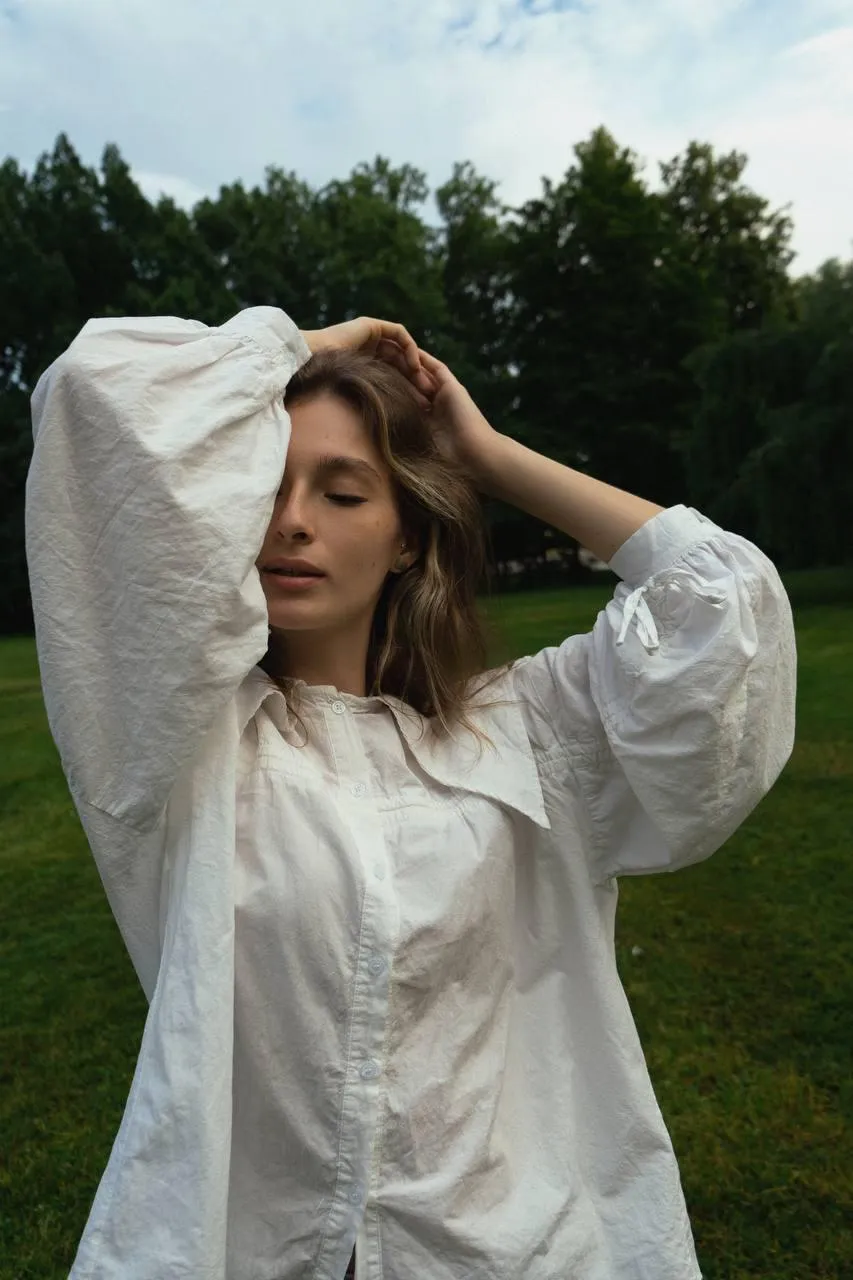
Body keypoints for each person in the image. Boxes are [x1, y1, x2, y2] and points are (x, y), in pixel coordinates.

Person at [25, 306, 796, 1280]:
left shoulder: (522, 733)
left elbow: (722, 609)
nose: (292, 519)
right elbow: (93, 391)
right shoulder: (182, 741)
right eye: (266, 485)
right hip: (249, 1245)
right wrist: (314, 342)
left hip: (507, 1246)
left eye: (344, 492)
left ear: (402, 538)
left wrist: (489, 453)